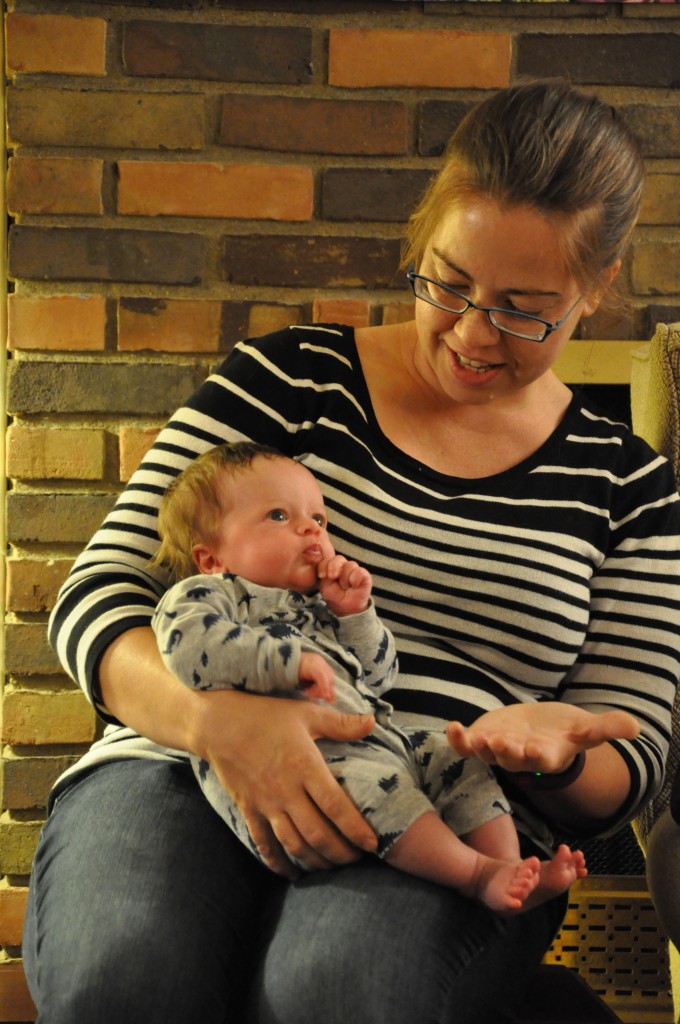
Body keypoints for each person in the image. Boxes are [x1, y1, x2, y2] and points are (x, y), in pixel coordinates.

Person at [23, 78, 680, 1024]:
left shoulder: (629, 488)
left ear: (598, 285)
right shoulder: (288, 379)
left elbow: (635, 754)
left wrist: (558, 758)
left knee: (336, 994)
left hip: (439, 810)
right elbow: (100, 591)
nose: (471, 333)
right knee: (125, 979)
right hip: (175, 764)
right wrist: (215, 724)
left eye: (523, 308)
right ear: (422, 238)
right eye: (448, 283)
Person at [151, 440, 587, 913]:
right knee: (380, 789)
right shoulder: (211, 596)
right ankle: (475, 875)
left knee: (456, 758)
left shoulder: (318, 609)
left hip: (382, 740)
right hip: (305, 769)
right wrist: (283, 662)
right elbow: (188, 649)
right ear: (211, 558)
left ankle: (509, 866)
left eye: (318, 519)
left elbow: (379, 679)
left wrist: (355, 614)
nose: (309, 528)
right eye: (278, 516)